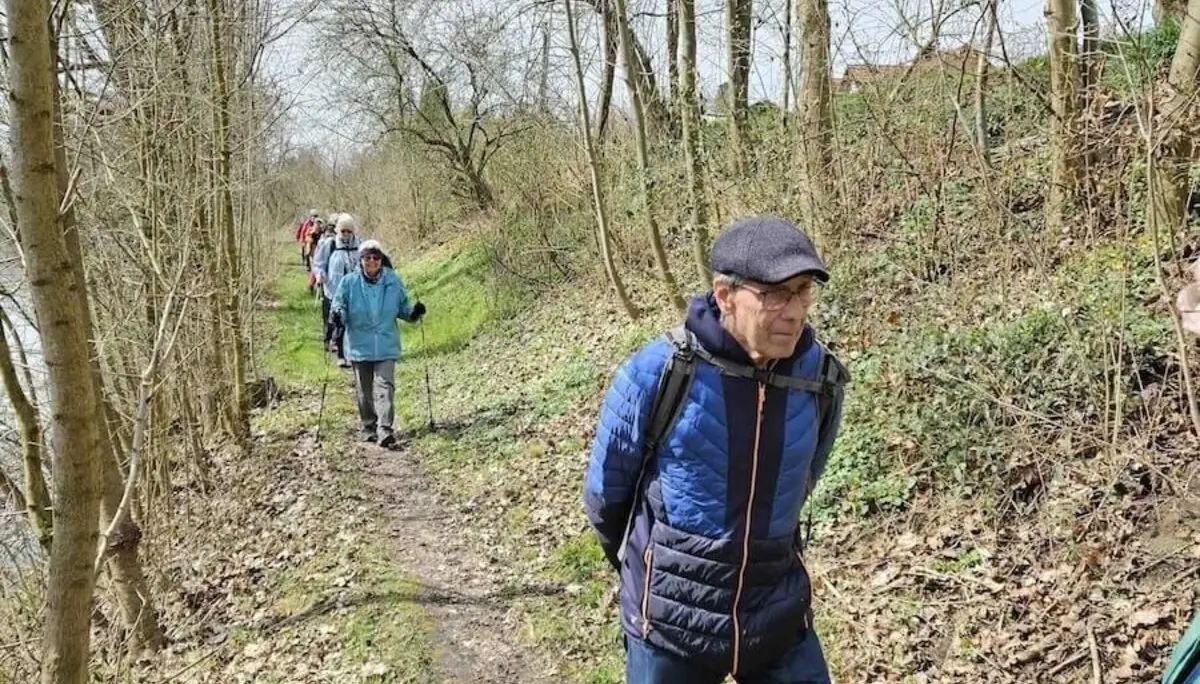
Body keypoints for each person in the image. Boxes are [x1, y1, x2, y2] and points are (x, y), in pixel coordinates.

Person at [583, 215, 849, 684]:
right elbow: (607, 495)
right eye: (774, 295)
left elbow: (805, 479)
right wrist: (646, 573)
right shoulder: (659, 372)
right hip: (670, 617)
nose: (795, 311)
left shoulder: (819, 378)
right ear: (725, 295)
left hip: (776, 610)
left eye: (803, 290)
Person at [330, 239, 427, 448]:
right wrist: (338, 316)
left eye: (376, 257)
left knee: (385, 386)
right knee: (364, 391)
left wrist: (415, 312)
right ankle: (368, 427)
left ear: (381, 260)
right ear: (361, 260)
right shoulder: (349, 282)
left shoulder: (392, 281)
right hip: (359, 344)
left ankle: (385, 430)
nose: (372, 261)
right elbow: (339, 305)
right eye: (367, 257)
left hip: (385, 343)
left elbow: (403, 309)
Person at [313, 214, 361, 366]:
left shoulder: (359, 244)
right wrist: (320, 275)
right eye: (343, 231)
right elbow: (319, 262)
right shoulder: (330, 244)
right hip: (335, 289)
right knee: (339, 321)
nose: (346, 234)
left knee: (353, 322)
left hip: (355, 290)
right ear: (338, 231)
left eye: (349, 231)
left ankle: (353, 352)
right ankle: (340, 354)